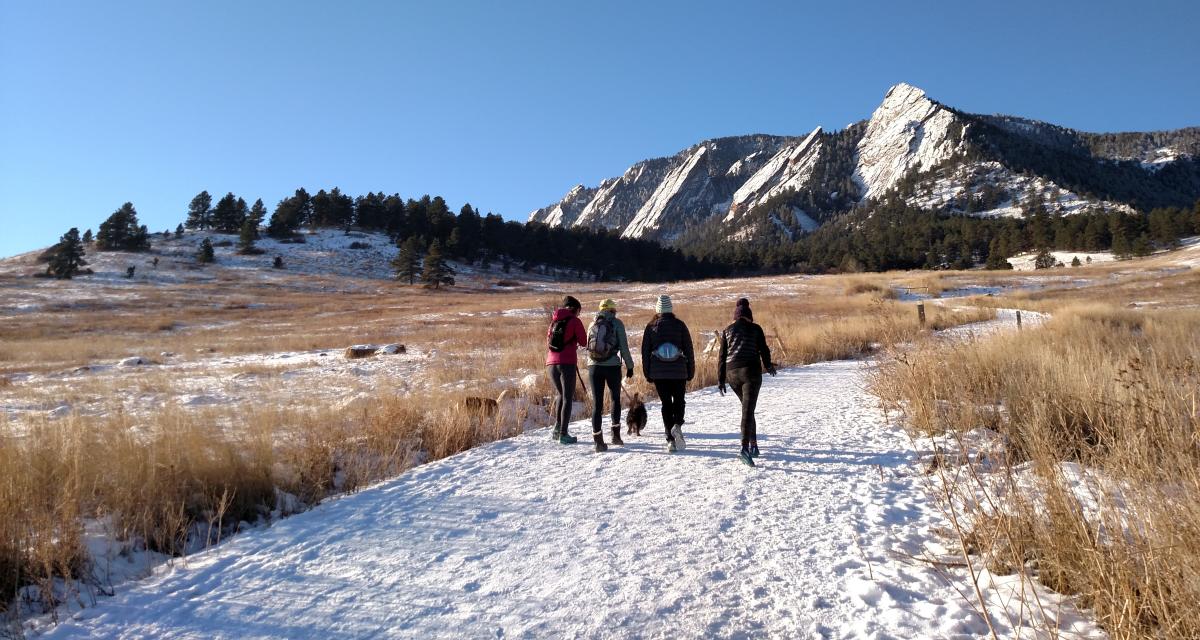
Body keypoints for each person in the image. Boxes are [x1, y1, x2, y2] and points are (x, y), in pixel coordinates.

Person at [717, 298, 776, 467]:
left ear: (736, 317)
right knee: (748, 411)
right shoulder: (756, 329)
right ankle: (744, 449)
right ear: (749, 317)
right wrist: (768, 365)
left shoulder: (727, 330)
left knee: (747, 408)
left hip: (732, 374)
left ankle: (754, 446)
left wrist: (721, 380)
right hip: (751, 373)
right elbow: (764, 349)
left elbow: (721, 357)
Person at [641, 294, 694, 453]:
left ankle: (670, 440)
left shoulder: (651, 327)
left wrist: (647, 373)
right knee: (679, 401)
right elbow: (689, 350)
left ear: (657, 310)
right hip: (679, 371)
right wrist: (690, 371)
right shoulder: (680, 325)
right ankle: (677, 424)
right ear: (671, 309)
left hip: (659, 372)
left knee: (666, 404)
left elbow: (645, 352)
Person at [586, 299, 635, 452]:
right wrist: (630, 366)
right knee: (615, 399)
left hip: (593, 367)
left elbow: (589, 347)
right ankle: (615, 436)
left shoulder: (591, 323)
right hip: (612, 366)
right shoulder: (617, 323)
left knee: (597, 403)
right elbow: (624, 348)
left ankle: (598, 441)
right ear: (613, 310)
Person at [546, 295, 586, 444]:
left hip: (550, 363)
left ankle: (557, 429)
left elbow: (548, 342)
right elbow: (583, 341)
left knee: (560, 395)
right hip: (567, 363)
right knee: (568, 397)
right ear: (575, 309)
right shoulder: (575, 321)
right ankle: (564, 434)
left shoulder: (553, 322)